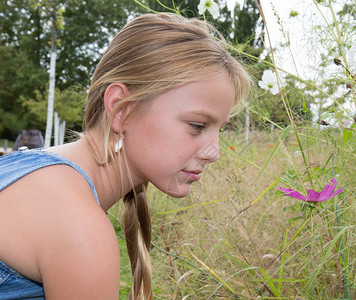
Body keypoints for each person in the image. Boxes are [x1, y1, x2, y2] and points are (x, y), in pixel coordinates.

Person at [0, 13, 251, 299]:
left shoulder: (27, 168)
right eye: (197, 126)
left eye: (219, 129)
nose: (214, 153)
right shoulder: (79, 230)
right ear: (121, 109)